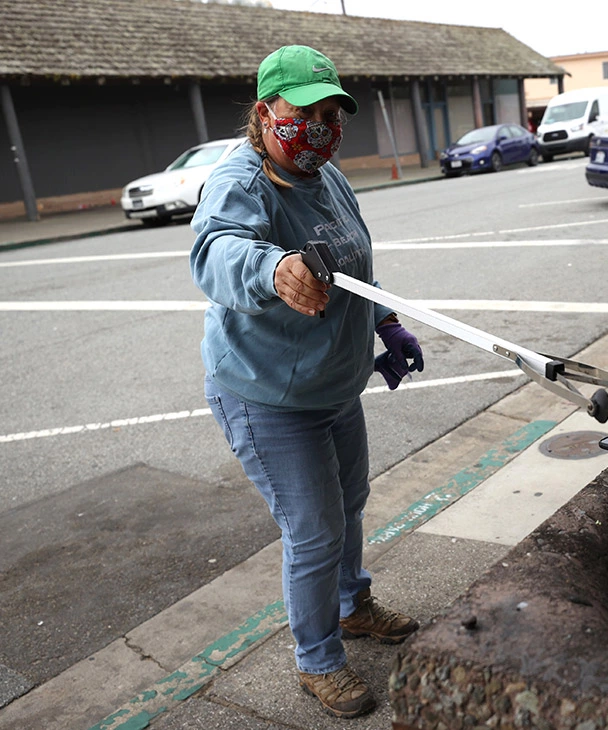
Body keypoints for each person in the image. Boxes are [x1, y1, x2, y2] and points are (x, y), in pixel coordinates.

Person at [190, 45, 425, 719]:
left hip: (333, 387)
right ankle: (317, 660)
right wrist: (274, 270)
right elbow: (217, 250)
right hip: (267, 395)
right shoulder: (241, 182)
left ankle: (352, 606)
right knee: (315, 531)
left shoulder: (327, 177)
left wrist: (385, 323)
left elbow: (354, 264)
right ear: (265, 112)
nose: (320, 128)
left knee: (349, 504)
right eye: (304, 112)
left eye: (331, 114)